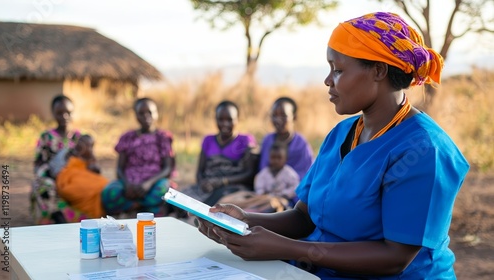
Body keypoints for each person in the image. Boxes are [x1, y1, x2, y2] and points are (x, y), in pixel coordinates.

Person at [194, 12, 470, 279]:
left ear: (378, 70)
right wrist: (244, 220)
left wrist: (287, 248)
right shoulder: (343, 133)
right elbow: (305, 217)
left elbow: (394, 258)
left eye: (338, 70)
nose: (328, 81)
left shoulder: (424, 150)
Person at [101, 97, 175, 216]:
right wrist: (127, 185)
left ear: (156, 114)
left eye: (150, 112)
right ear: (135, 115)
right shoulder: (127, 137)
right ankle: (145, 207)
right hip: (129, 186)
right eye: (141, 113)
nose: (146, 116)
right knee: (108, 193)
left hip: (153, 183)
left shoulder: (163, 137)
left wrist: (148, 184)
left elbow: (167, 168)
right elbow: (119, 169)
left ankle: (133, 207)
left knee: (163, 190)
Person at [182, 100, 258, 206]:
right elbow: (200, 171)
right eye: (220, 119)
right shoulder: (208, 140)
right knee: (180, 200)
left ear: (237, 120)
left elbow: (249, 173)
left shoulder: (245, 141)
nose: (225, 124)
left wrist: (223, 181)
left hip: (233, 187)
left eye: (229, 120)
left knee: (221, 203)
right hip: (209, 186)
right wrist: (203, 183)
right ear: (215, 119)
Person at [30, 94, 87, 224]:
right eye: (60, 113)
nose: (64, 116)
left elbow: (86, 161)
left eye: (68, 112)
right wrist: (53, 177)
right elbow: (39, 164)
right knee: (44, 187)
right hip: (51, 178)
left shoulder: (79, 137)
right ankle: (57, 218)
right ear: (53, 113)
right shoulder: (46, 137)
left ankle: (76, 220)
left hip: (73, 178)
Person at [259, 97, 313, 180]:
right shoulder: (267, 140)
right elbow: (263, 169)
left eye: (283, 116)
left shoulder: (301, 143)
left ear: (294, 117)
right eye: (274, 115)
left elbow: (306, 174)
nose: (278, 120)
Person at [56, 134, 108, 218]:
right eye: (87, 145)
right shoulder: (69, 154)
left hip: (89, 180)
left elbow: (96, 171)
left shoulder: (90, 158)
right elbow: (64, 171)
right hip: (72, 179)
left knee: (103, 184)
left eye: (91, 146)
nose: (89, 149)